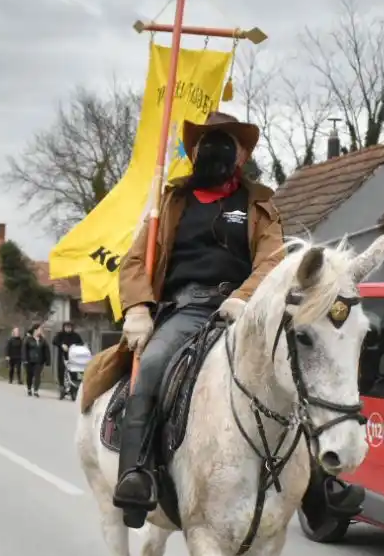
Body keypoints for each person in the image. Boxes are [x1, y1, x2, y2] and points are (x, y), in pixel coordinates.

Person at [108, 111, 363, 527]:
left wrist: (244, 298)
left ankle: (319, 488)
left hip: (247, 313)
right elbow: (136, 261)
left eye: (227, 142)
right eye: (206, 141)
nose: (215, 149)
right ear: (192, 151)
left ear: (242, 154)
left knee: (294, 373)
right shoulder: (170, 202)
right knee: (151, 368)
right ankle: (135, 475)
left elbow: (273, 261)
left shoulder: (259, 206)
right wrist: (137, 307)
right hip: (184, 309)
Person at [52, 320, 83, 394]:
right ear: (64, 327)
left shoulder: (76, 335)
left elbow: (81, 343)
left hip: (73, 357)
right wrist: (61, 345)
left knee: (73, 372)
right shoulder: (60, 334)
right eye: (66, 327)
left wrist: (76, 346)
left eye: (69, 327)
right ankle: (62, 388)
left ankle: (73, 388)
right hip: (62, 356)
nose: (68, 329)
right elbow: (54, 341)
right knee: (61, 371)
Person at [24, 325, 50, 397]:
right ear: (35, 330)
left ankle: (36, 390)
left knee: (37, 375)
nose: (40, 331)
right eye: (39, 330)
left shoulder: (43, 340)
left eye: (41, 330)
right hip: (29, 360)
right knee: (29, 375)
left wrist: (48, 361)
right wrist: (25, 359)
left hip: (39, 361)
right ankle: (29, 388)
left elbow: (46, 351)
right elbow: (24, 350)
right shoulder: (28, 339)